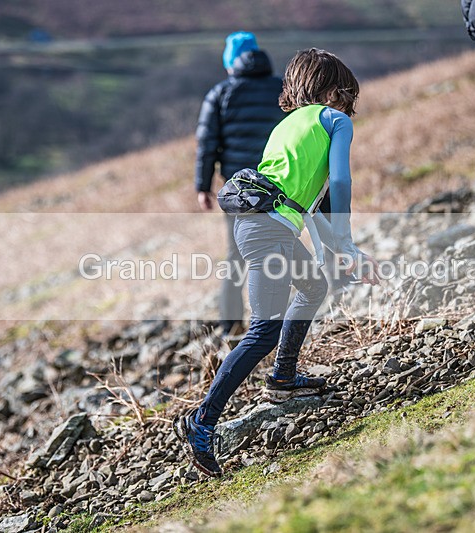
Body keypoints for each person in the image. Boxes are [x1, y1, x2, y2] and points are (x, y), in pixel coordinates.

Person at [176, 49, 380, 477]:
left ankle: (283, 377)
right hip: (268, 229)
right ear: (332, 91)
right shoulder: (334, 121)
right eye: (347, 97)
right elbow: (340, 182)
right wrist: (345, 243)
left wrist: (341, 250)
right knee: (263, 331)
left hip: (263, 224)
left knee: (313, 288)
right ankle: (202, 421)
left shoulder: (287, 125)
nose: (350, 109)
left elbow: (308, 203)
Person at [195, 31, 286, 337]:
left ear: (230, 62)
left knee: (238, 254)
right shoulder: (282, 89)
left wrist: (202, 186)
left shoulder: (221, 93)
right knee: (280, 249)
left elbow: (207, 143)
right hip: (280, 184)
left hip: (240, 191)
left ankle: (231, 326)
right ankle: (277, 323)